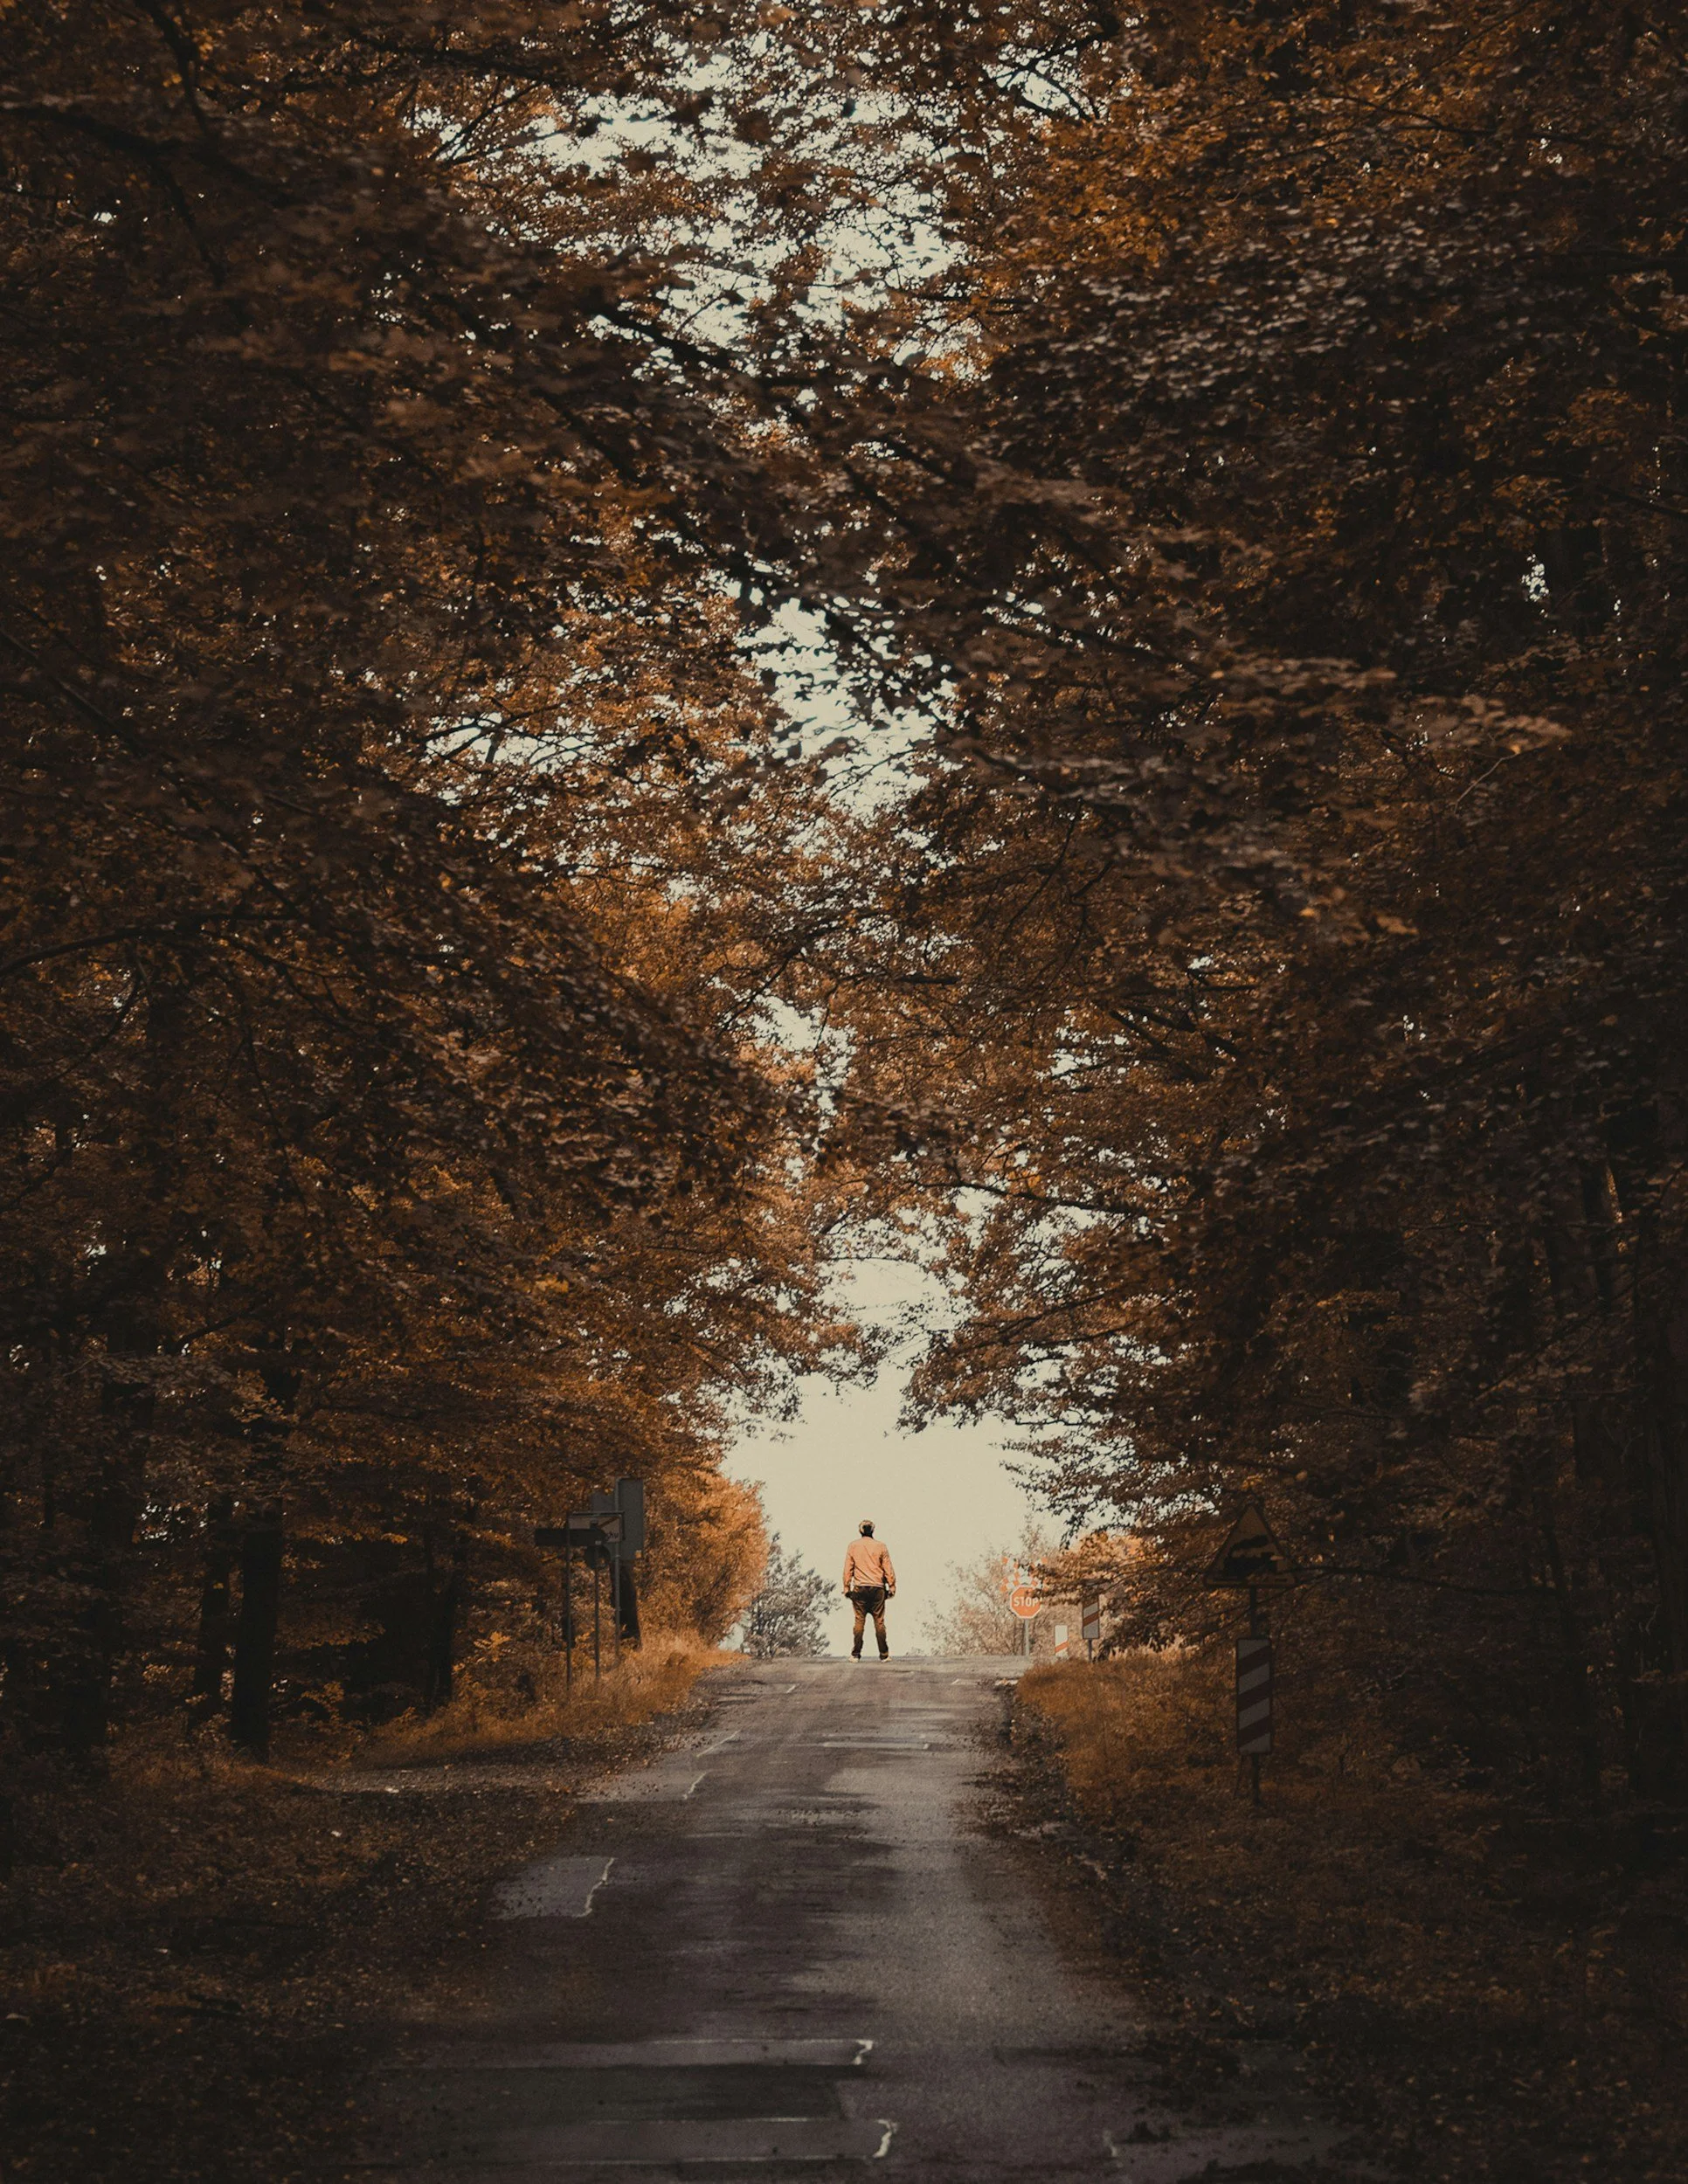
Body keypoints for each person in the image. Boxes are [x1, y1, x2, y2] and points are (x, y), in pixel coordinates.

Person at [841, 1520, 896, 1660]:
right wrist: (892, 1585)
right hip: (878, 1588)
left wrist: (847, 1587)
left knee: (859, 1621)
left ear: (860, 1531)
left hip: (860, 1588)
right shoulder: (881, 1546)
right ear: (873, 1531)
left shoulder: (853, 1546)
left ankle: (856, 1654)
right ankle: (884, 1655)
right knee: (879, 1621)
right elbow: (887, 1567)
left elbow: (848, 1568)